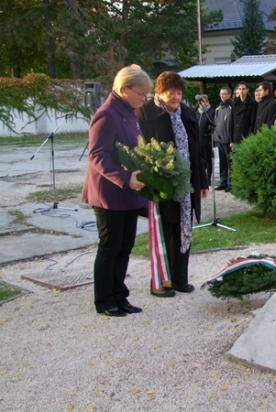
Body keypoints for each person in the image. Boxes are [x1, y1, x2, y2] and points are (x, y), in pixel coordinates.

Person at [81, 64, 152, 317]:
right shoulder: (106, 114)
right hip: (109, 193)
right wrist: (124, 178)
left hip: (128, 192)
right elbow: (97, 156)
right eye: (140, 93)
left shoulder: (129, 113)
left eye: (145, 94)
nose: (143, 98)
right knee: (110, 246)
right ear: (124, 89)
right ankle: (105, 300)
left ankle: (120, 296)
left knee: (125, 246)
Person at [136, 71, 209, 297]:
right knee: (165, 229)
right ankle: (161, 281)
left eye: (179, 93)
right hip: (162, 184)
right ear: (159, 92)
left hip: (186, 184)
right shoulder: (145, 113)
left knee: (183, 228)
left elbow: (197, 150)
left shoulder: (186, 113)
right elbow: (141, 150)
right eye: (171, 92)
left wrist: (202, 181)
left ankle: (180, 278)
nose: (176, 97)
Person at [213, 86, 233, 191]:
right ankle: (223, 181)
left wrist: (231, 139)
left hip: (228, 140)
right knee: (222, 162)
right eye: (221, 94)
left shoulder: (232, 107)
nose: (222, 96)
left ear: (229, 94)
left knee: (230, 163)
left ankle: (231, 183)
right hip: (219, 139)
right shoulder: (218, 108)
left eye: (224, 94)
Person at [197, 94, 215, 186]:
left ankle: (208, 179)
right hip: (198, 140)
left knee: (208, 160)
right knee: (200, 160)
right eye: (201, 102)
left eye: (204, 101)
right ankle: (202, 178)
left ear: (207, 102)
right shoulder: (197, 113)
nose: (202, 103)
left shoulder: (210, 112)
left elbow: (213, 124)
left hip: (207, 139)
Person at [232, 81, 257, 146]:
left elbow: (252, 122)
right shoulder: (234, 103)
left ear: (247, 90)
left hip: (246, 137)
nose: (241, 91)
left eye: (243, 89)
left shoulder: (252, 103)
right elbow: (232, 122)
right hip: (236, 137)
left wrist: (250, 137)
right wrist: (231, 140)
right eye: (240, 89)